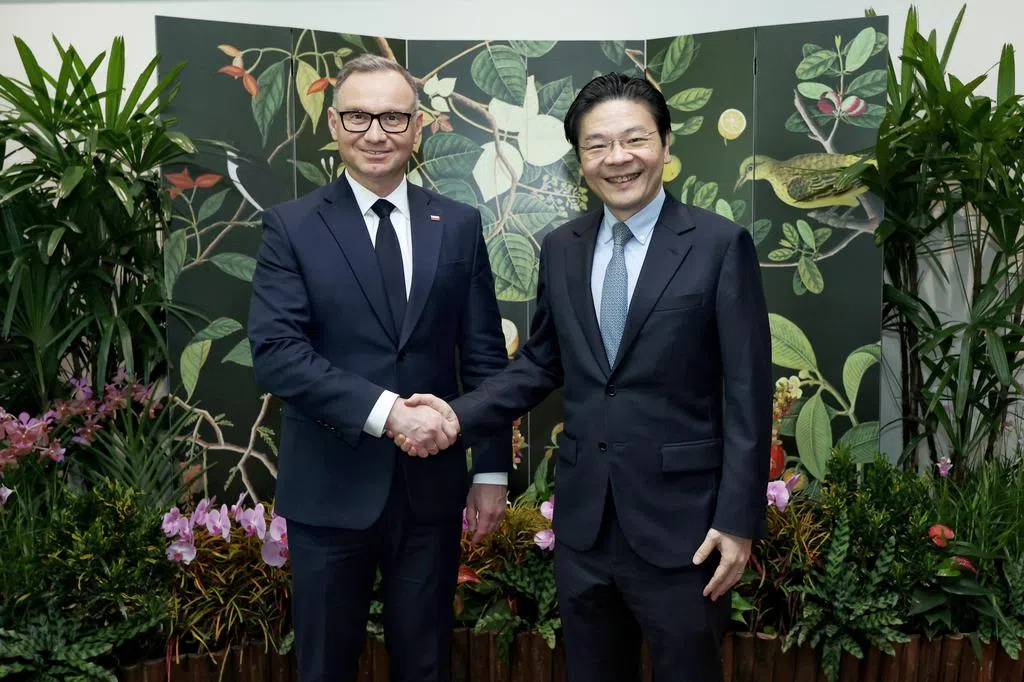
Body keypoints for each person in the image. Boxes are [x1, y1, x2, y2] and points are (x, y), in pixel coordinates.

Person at [394, 73, 772, 682]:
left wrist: (737, 521)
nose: (617, 158)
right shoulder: (562, 247)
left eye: (634, 139)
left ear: (666, 144)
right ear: (579, 158)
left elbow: (748, 392)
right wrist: (456, 415)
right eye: (597, 144)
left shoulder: (719, 245)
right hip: (584, 529)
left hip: (686, 530)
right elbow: (542, 361)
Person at [247, 54, 510, 682]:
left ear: (417, 127)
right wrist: (388, 412)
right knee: (324, 667)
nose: (375, 133)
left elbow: (483, 357)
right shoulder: (292, 227)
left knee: (427, 663)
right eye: (358, 116)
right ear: (334, 124)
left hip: (431, 493)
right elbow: (278, 354)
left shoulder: (459, 225)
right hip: (329, 489)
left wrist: (492, 469)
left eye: (392, 117)